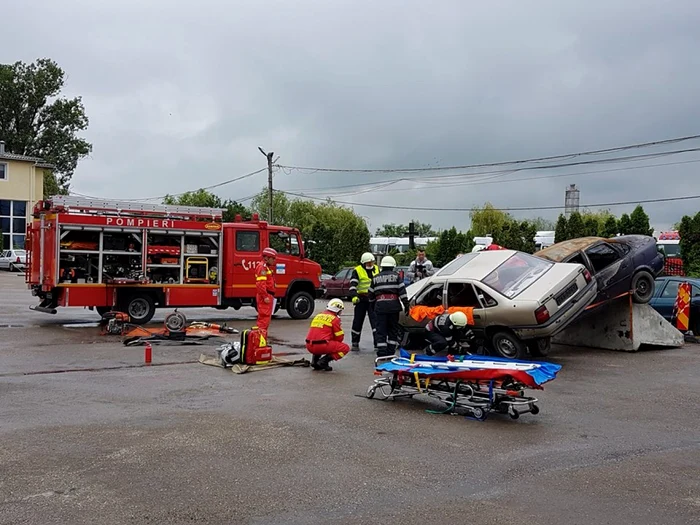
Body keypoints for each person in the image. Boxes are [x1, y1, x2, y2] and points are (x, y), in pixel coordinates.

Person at [368, 256, 409, 357]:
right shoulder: (397, 277)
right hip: (394, 307)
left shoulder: (375, 278)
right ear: (393, 266)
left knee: (381, 330)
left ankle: (381, 352)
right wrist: (406, 305)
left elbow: (371, 295)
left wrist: (374, 306)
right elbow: (402, 293)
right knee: (392, 330)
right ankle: (390, 352)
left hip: (380, 307)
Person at [305, 298, 350, 371]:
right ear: (338, 310)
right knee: (345, 348)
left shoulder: (318, 315)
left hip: (309, 346)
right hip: (322, 346)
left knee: (321, 339)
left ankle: (315, 361)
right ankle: (324, 362)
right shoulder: (335, 319)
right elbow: (339, 338)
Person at [349, 252, 380, 352]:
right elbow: (353, 285)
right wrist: (354, 296)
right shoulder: (357, 270)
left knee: (375, 322)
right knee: (358, 321)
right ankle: (355, 342)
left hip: (373, 299)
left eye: (371, 263)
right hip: (361, 299)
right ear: (363, 263)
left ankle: (377, 343)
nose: (370, 265)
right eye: (368, 263)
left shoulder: (377, 269)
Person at [255, 247, 277, 338]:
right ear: (267, 258)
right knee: (264, 319)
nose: (274, 261)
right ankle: (260, 339)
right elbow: (260, 284)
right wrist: (265, 296)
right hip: (266, 296)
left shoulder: (265, 267)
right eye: (273, 258)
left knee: (265, 319)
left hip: (268, 295)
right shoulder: (262, 267)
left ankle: (261, 338)